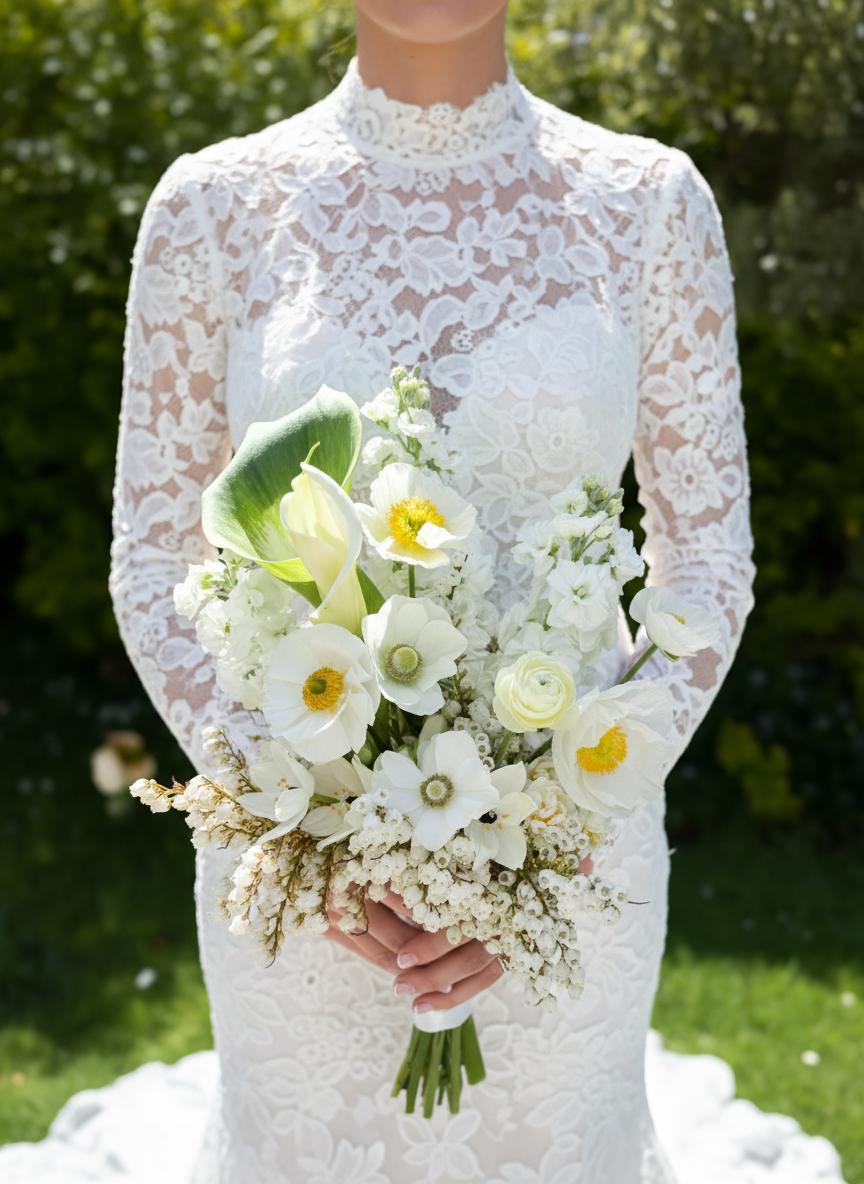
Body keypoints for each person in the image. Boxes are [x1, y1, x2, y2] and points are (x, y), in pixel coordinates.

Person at [110, 1, 755, 1180]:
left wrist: (547, 840)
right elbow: (155, 562)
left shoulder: (649, 204)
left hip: (570, 883)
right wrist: (306, 824)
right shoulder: (213, 208)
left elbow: (707, 566)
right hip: (307, 898)